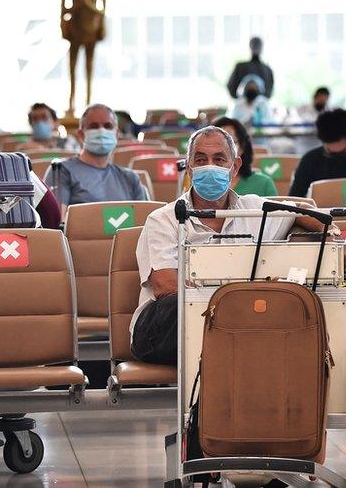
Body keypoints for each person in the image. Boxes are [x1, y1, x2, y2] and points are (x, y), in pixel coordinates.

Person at [129, 126, 332, 365]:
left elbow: (301, 213)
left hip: (236, 325)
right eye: (201, 159)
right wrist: (233, 303)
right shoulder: (163, 219)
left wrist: (331, 232)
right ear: (190, 168)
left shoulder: (255, 210)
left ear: (234, 167)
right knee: (186, 307)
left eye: (219, 159)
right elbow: (166, 285)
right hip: (166, 328)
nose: (210, 166)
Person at [43, 104, 148, 209]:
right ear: (81, 135)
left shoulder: (130, 178)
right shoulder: (61, 170)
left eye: (108, 126)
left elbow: (143, 220)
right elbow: (58, 223)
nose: (101, 131)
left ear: (116, 134)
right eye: (94, 126)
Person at [213, 117, 277, 196]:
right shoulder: (199, 183)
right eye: (215, 144)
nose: (220, 150)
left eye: (229, 143)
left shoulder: (264, 184)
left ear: (241, 148)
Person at [15, 102, 79, 152]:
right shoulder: (23, 148)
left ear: (55, 122)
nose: (39, 122)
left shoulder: (68, 141)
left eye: (44, 117)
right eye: (35, 118)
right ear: (30, 124)